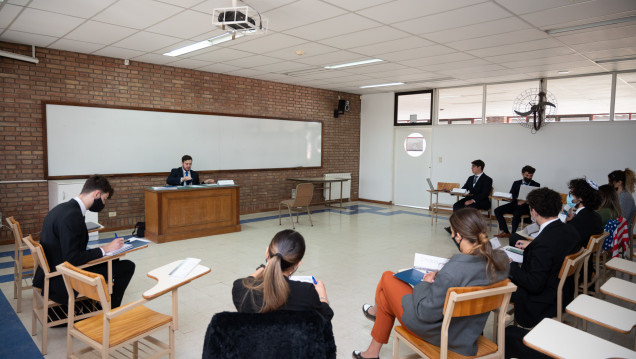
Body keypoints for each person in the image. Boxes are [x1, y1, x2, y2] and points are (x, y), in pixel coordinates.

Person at [354, 208, 508, 359]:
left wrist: (426, 283)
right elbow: (471, 275)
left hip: (441, 332)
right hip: (467, 332)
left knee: (387, 277)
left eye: (453, 235)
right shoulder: (502, 261)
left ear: (459, 236)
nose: (453, 238)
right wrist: (441, 276)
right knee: (386, 295)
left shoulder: (453, 270)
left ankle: (376, 314)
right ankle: (372, 350)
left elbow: (425, 313)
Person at [33, 175, 135, 308]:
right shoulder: (72, 216)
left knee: (113, 261)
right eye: (104, 199)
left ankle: (96, 299)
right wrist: (105, 249)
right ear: (97, 194)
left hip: (54, 269)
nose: (103, 204)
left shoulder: (62, 208)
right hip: (63, 278)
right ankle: (109, 310)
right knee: (127, 266)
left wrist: (104, 250)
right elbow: (72, 258)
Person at [505, 187, 582, 359]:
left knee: (496, 282)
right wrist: (531, 246)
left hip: (541, 303)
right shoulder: (570, 230)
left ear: (534, 211)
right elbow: (555, 252)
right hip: (563, 293)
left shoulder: (544, 242)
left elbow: (534, 284)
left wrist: (510, 267)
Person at [232, 230, 333, 320]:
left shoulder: (241, 288)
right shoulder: (306, 292)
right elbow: (325, 317)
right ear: (298, 263)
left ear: (267, 252)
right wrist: (322, 296)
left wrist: (263, 268)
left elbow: (248, 280)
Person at [445, 160, 493, 234]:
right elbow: (464, 189)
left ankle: (463, 229)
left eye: (473, 166)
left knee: (469, 207)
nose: (471, 168)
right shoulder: (470, 178)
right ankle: (455, 227)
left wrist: (473, 200)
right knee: (456, 205)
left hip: (481, 201)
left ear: (479, 167)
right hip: (469, 199)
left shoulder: (488, 179)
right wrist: (451, 191)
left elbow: (484, 194)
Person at [494, 165, 540, 239]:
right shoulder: (516, 183)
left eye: (530, 176)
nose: (528, 177)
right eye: (527, 175)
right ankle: (506, 231)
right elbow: (511, 194)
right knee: (497, 210)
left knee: (517, 212)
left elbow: (535, 199)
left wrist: (524, 201)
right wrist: (517, 199)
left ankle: (513, 234)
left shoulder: (536, 185)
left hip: (526, 207)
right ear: (522, 174)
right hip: (514, 204)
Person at [565, 178, 603, 249]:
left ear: (580, 198)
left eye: (572, 193)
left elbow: (567, 242)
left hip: (576, 258)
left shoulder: (579, 220)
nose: (569, 196)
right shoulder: (596, 216)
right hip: (586, 256)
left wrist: (569, 223)